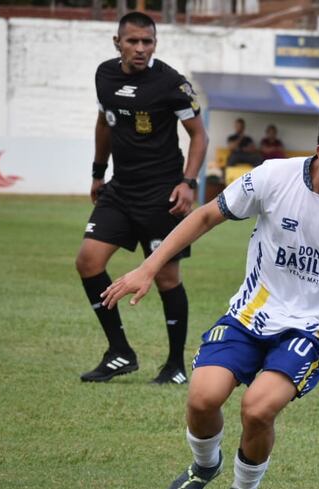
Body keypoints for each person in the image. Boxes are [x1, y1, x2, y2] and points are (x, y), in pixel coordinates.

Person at [101, 108, 319, 489]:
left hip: (310, 328)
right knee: (202, 398)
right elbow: (206, 215)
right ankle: (204, 465)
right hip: (249, 315)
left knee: (257, 408)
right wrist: (149, 267)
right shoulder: (273, 177)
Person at [76, 11, 208, 384]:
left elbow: (199, 135)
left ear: (155, 44)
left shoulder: (171, 83)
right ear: (117, 42)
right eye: (132, 41)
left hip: (162, 194)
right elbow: (104, 123)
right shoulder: (105, 75)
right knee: (88, 261)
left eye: (147, 42)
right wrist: (98, 173)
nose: (140, 48)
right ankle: (120, 351)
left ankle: (175, 366)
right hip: (121, 189)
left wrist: (188, 182)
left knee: (167, 278)